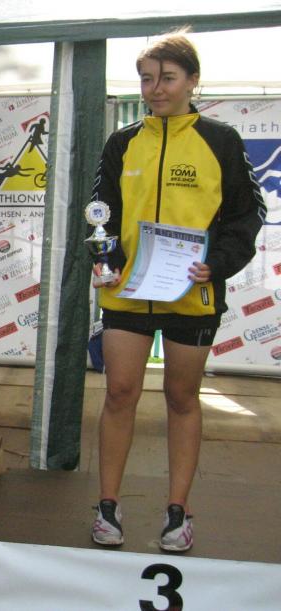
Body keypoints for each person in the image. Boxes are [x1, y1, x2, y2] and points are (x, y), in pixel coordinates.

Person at [89, 31, 265, 552]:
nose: (156, 89)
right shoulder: (122, 142)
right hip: (128, 293)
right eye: (147, 79)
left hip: (193, 293)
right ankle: (107, 507)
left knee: (182, 397)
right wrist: (106, 259)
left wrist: (219, 264)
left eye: (167, 78)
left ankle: (177, 512)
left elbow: (246, 214)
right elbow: (102, 212)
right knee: (120, 393)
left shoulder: (220, 140)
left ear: (192, 81)